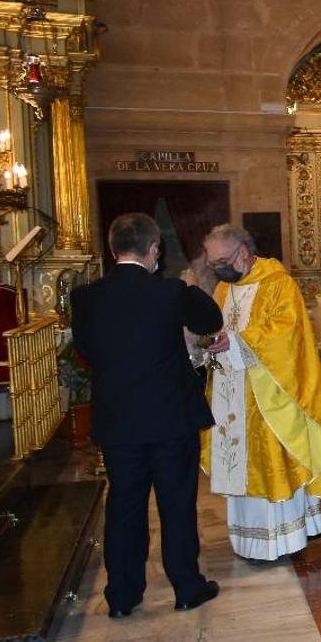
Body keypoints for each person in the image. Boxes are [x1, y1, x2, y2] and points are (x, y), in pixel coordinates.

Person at [72, 213, 223, 617]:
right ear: (154, 250)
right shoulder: (170, 292)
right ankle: (187, 587)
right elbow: (211, 320)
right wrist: (189, 290)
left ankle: (122, 595)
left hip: (119, 420)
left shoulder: (85, 297)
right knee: (176, 504)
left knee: (124, 504)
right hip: (171, 418)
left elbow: (85, 349)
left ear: (111, 248)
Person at [200, 225, 321, 561]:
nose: (218, 270)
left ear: (242, 252)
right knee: (239, 463)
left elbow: (287, 333)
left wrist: (237, 341)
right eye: (212, 265)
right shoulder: (224, 289)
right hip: (231, 393)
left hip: (270, 394)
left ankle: (281, 539)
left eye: (222, 261)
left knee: (274, 461)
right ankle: (249, 538)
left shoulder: (278, 283)